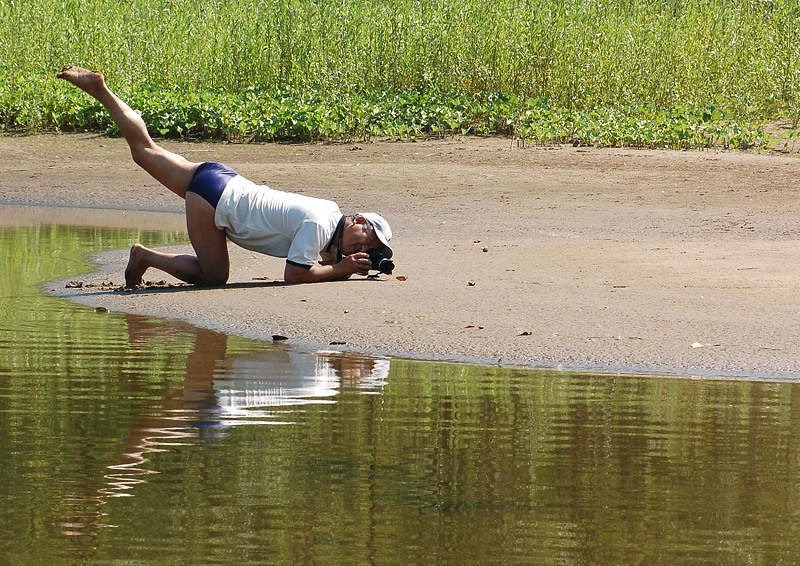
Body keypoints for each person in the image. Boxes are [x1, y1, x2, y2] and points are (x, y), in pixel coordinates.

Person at [56, 66, 394, 287]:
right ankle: (145, 257)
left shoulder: (328, 212)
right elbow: (295, 275)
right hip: (215, 202)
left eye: (371, 248)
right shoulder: (320, 227)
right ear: (359, 219)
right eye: (368, 237)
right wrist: (341, 269)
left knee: (144, 150)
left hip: (221, 179)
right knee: (215, 277)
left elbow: (316, 254)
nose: (365, 246)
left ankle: (100, 90)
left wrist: (340, 261)